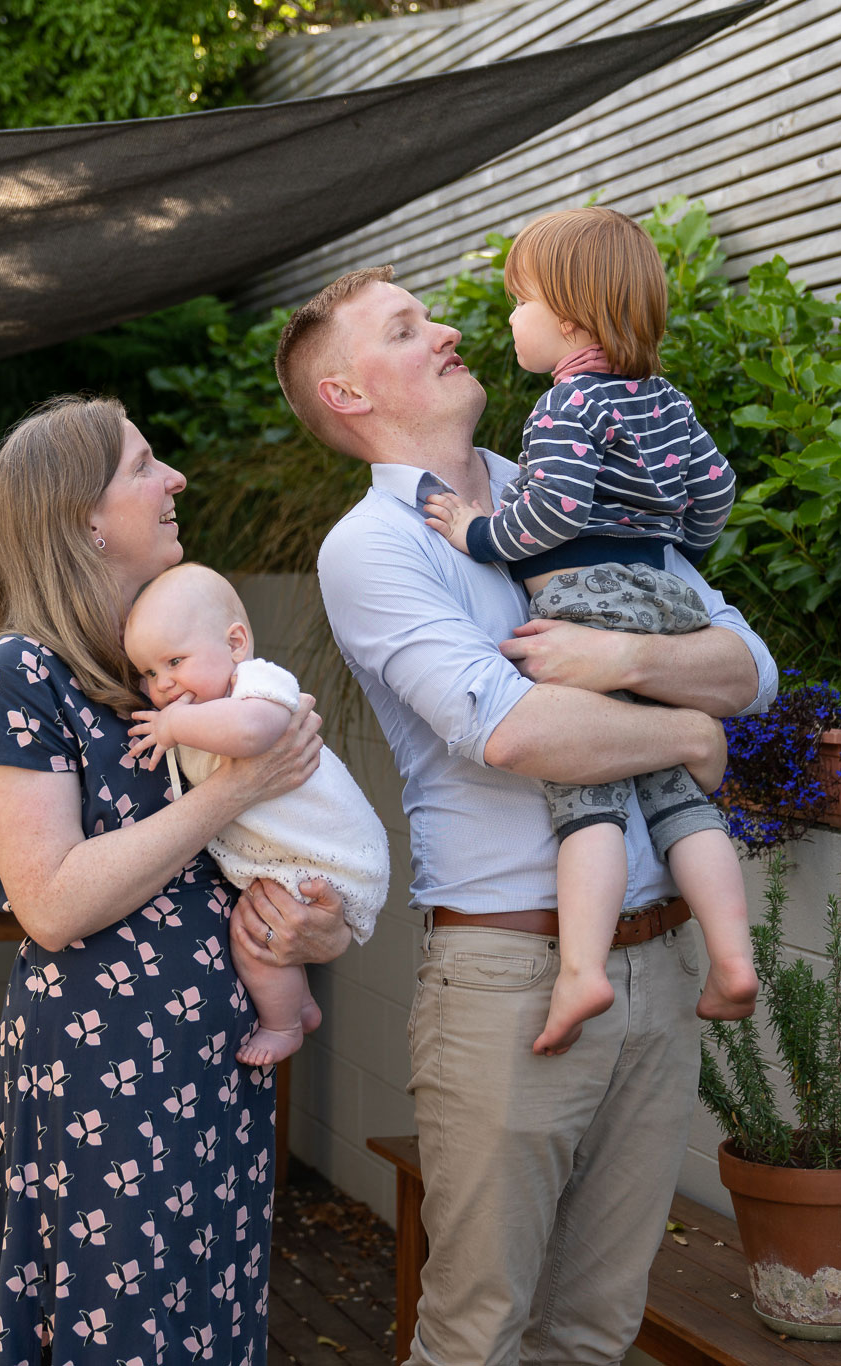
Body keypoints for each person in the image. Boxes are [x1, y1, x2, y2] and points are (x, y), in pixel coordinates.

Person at [276, 267, 778, 1365]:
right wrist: (686, 737)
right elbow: (509, 730)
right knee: (476, 1332)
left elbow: (749, 666)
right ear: (349, 394)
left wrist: (630, 660)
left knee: (596, 1331)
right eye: (407, 330)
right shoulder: (372, 548)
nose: (449, 328)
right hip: (507, 981)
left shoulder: (570, 470)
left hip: (657, 972)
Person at [0, 396, 353, 1366]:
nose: (173, 480)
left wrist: (315, 929)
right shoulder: (19, 674)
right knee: (114, 1336)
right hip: (104, 1081)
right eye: (143, 465)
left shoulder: (167, 671)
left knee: (205, 1330)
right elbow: (51, 903)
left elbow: (276, 850)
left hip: (213, 1069)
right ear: (82, 514)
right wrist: (239, 786)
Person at [418, 206, 757, 1055]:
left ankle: (581, 970)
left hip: (583, 603)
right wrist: (676, 543)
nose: (508, 320)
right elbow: (716, 490)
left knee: (592, 790)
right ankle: (733, 959)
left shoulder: (567, 404)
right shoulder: (667, 399)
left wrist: (476, 532)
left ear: (567, 319)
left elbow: (556, 507)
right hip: (663, 595)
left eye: (518, 301)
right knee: (676, 790)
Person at [122, 562, 390, 1067]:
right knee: (256, 934)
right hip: (292, 862)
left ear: (236, 644)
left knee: (256, 940)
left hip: (331, 857)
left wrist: (176, 723)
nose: (161, 684)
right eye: (149, 672)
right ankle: (300, 1004)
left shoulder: (256, 684)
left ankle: (283, 1024)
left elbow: (253, 733)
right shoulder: (198, 714)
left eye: (175, 661)